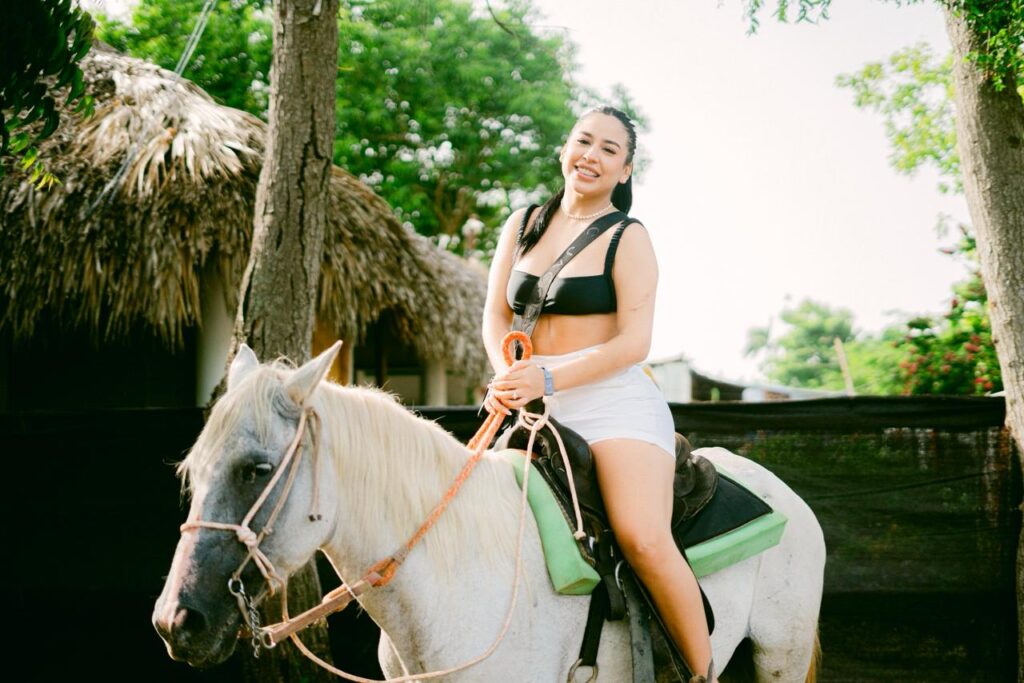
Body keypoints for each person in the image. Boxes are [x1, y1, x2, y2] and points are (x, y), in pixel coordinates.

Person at [481, 106, 716, 683]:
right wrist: (509, 377)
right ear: (565, 149)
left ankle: (703, 673)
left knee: (642, 537)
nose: (592, 155)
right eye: (583, 141)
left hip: (613, 404)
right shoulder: (523, 223)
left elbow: (636, 343)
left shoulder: (628, 236)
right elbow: (494, 315)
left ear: (625, 170)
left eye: (609, 149)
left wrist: (550, 377)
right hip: (530, 401)